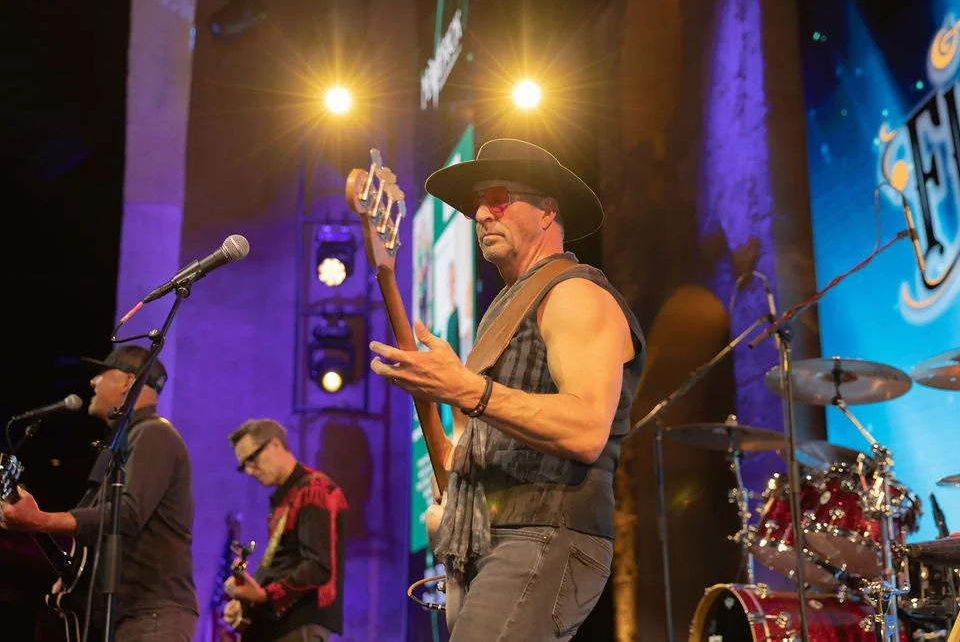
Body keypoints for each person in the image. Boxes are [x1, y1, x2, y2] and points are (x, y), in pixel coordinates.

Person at [368, 138, 645, 640]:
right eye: (476, 204)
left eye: (497, 197)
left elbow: (586, 429)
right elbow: (480, 446)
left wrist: (469, 390)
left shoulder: (575, 293)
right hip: (493, 539)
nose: (480, 213)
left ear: (547, 211)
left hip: (545, 533)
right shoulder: (504, 310)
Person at [0, 344, 198, 641]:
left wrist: (40, 521)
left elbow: (126, 516)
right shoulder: (126, 444)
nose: (93, 381)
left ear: (127, 382)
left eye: (102, 373)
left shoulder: (154, 433)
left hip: (151, 616)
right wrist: (76, 582)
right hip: (129, 616)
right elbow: (106, 530)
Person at [223, 418, 347, 642]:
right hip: (281, 627)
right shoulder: (286, 498)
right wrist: (245, 603)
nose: (250, 471)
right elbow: (284, 565)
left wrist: (263, 594)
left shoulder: (315, 489)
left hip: (299, 625)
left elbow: (318, 566)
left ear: (275, 444)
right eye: (244, 466)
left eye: (252, 458)